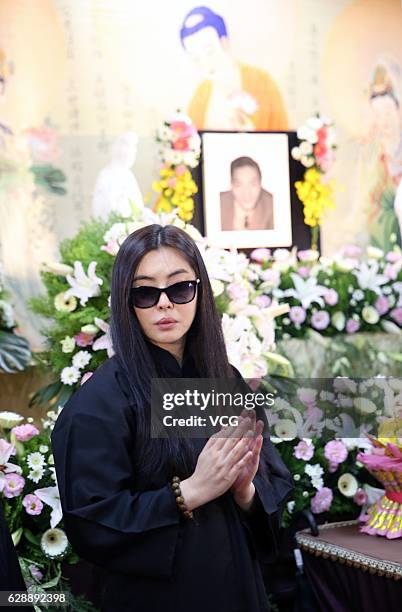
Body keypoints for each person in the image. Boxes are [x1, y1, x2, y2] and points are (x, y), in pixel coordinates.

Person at [51, 223, 293, 612]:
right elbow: (92, 522)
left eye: (180, 288)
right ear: (126, 302)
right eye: (146, 292)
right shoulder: (102, 402)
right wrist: (191, 491)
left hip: (237, 589)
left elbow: (268, 494)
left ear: (200, 292)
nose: (165, 304)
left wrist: (244, 489)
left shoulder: (222, 380)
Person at [180, 6, 288, 131]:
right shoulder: (200, 96)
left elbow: (279, 134)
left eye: (209, 51)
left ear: (225, 43)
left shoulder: (262, 82)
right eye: (196, 58)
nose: (205, 63)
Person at [92, 131, 144, 221]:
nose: (133, 153)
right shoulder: (107, 175)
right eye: (131, 149)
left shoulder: (128, 175)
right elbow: (103, 209)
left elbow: (138, 205)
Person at [220, 157, 274, 231]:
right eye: (238, 185)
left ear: (260, 183)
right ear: (231, 185)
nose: (247, 194)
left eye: (253, 184)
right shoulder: (218, 204)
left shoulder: (273, 205)